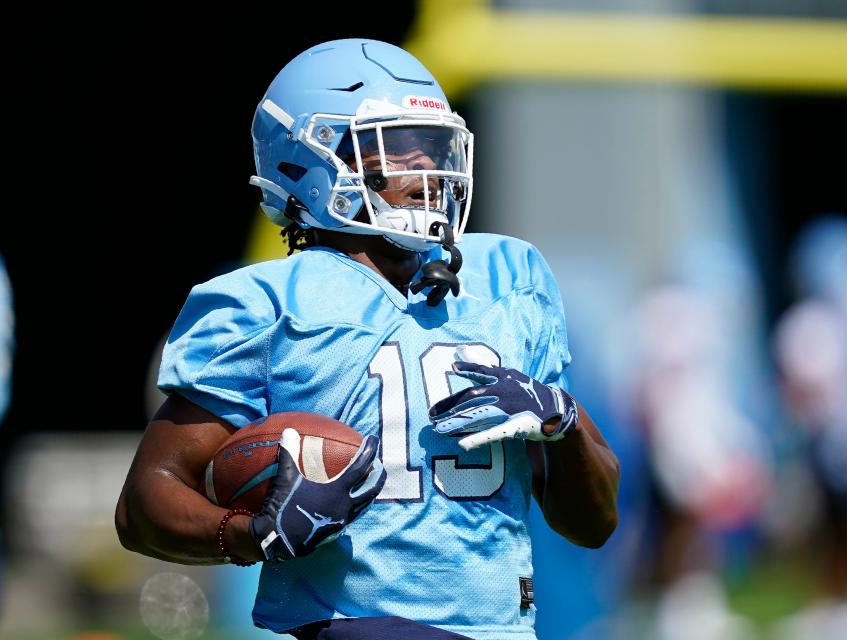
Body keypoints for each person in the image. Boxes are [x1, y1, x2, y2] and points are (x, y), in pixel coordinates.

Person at [115, 39, 620, 640]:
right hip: (357, 628)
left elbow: (595, 523)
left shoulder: (509, 277)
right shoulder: (267, 303)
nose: (428, 170)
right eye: (397, 148)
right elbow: (146, 501)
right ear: (312, 157)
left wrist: (561, 426)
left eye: (433, 148)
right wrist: (251, 536)